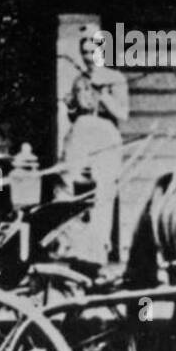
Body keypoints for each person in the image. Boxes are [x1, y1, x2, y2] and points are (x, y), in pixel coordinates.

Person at [58, 26, 130, 269]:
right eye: (85, 51)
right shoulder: (79, 80)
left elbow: (123, 113)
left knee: (103, 191)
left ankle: (98, 250)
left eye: (93, 50)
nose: (89, 56)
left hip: (104, 135)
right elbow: (74, 112)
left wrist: (103, 94)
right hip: (79, 133)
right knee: (68, 184)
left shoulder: (115, 78)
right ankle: (71, 245)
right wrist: (70, 106)